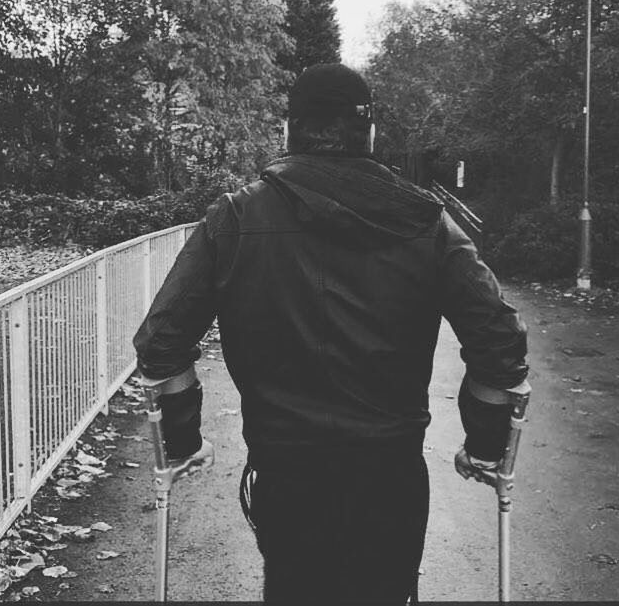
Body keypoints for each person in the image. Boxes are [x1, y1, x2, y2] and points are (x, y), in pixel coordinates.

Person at [133, 63, 529, 604]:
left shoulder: (236, 216)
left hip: (286, 474)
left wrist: (182, 443)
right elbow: (500, 344)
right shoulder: (428, 221)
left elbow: (161, 344)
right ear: (369, 133)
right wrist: (485, 445)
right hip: (391, 476)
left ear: (290, 130)